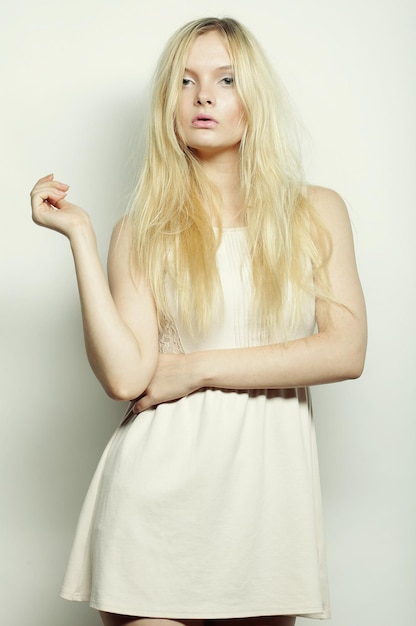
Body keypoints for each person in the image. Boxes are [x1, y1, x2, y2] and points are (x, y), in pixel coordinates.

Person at [30, 16, 367, 626]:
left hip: (266, 514)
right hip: (155, 506)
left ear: (252, 99)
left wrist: (195, 370)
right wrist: (81, 235)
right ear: (169, 106)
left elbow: (345, 352)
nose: (203, 95)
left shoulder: (316, 212)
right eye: (185, 81)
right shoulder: (141, 232)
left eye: (225, 79)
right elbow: (128, 378)